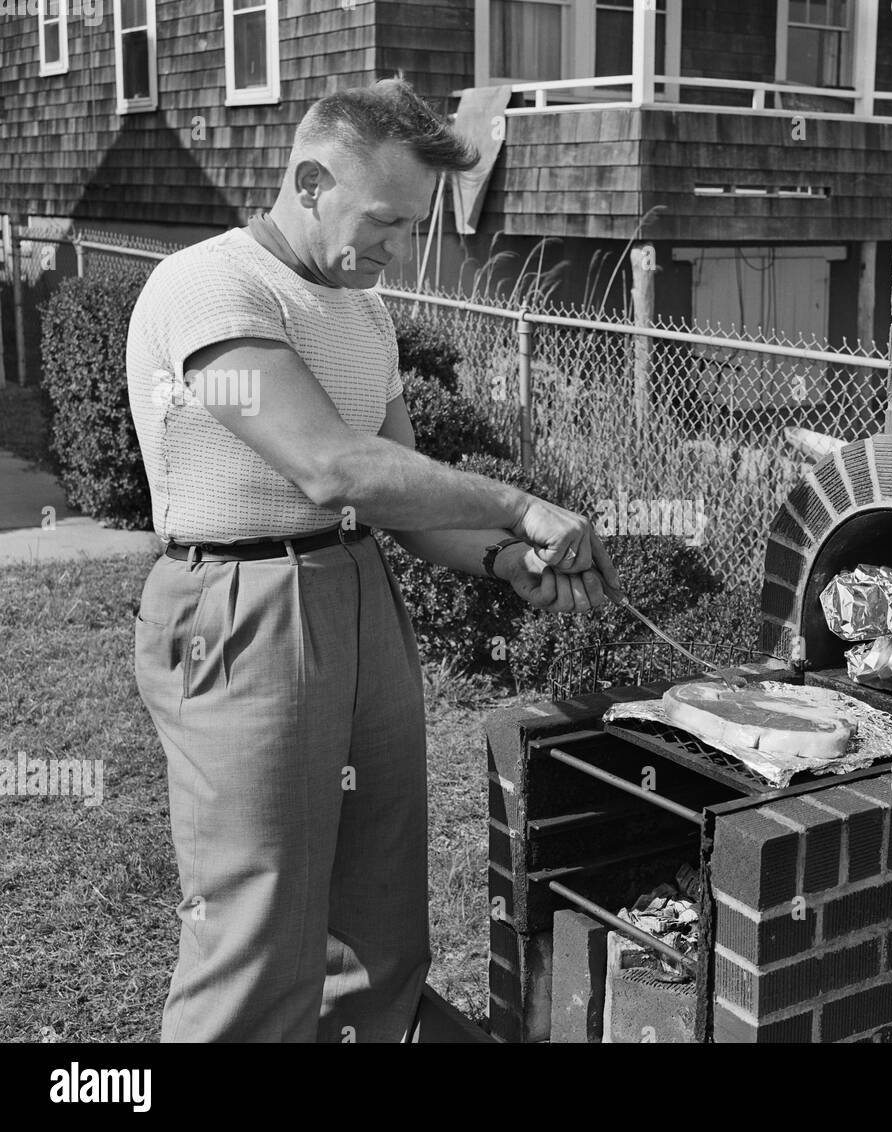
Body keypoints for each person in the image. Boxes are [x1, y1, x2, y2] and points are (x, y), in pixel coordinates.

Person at [125, 78, 621, 1042]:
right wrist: (520, 503)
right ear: (310, 181)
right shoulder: (208, 287)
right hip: (239, 604)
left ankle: (371, 1029)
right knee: (258, 911)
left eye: (413, 224)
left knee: (379, 885)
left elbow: (394, 487)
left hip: (355, 585)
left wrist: (497, 558)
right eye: (385, 221)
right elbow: (329, 464)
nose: (398, 248)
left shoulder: (362, 309)